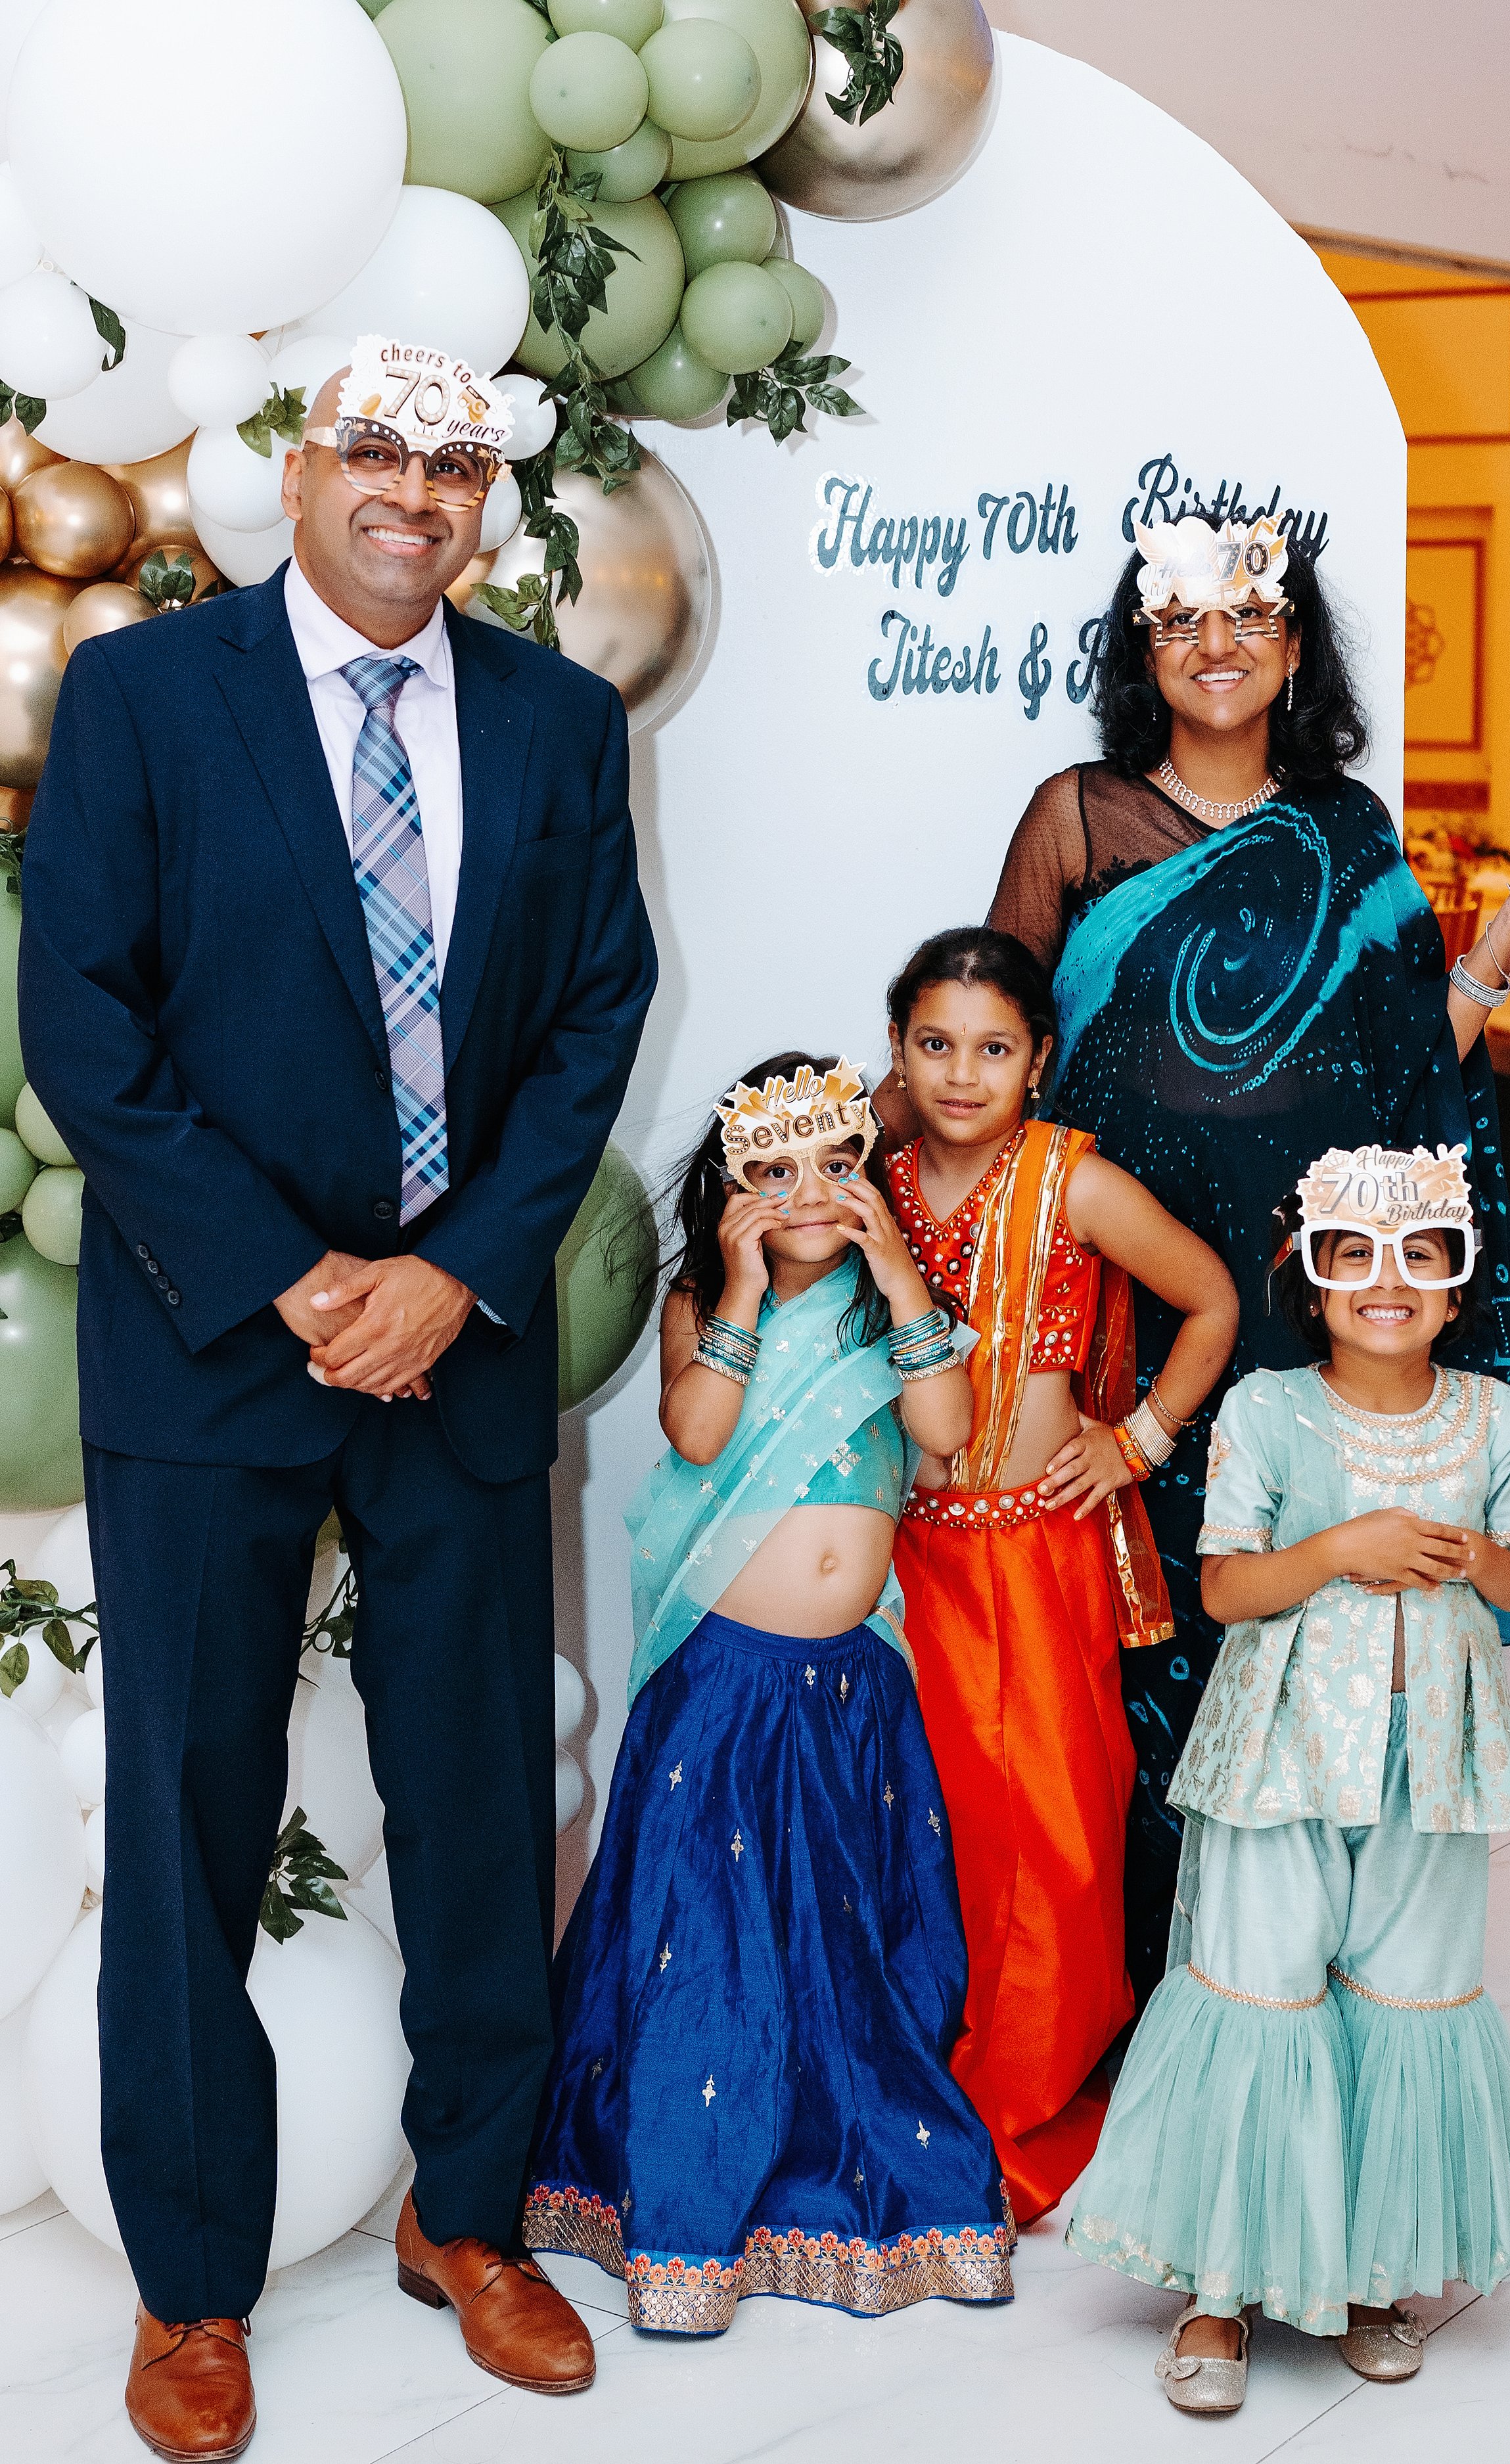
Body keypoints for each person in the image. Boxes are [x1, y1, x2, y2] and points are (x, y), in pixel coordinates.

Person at [18, 334, 656, 2458]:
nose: (417, 491)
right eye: (377, 450)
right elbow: (84, 1028)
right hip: (216, 1344)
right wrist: (301, 1279)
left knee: (479, 1802)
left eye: (456, 461)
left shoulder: (562, 724)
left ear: (490, 499)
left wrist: (454, 1277)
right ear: (296, 476)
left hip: (452, 1353)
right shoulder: (144, 697)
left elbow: (593, 1017)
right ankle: (191, 2287)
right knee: (188, 1815)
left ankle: (470, 2220)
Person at [986, 509, 1510, 2008]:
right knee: (1131, 1652)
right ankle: (1137, 2014)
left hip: (1309, 1322)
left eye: (1250, 619)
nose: (1216, 645)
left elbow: (1413, 1080)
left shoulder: (1347, 832)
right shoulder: (1075, 816)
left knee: (1291, 1648)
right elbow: (995, 1055)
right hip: (1121, 1315)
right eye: (1183, 620)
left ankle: (1276, 1989)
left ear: (1294, 648)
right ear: (1145, 646)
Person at [525, 1056, 1016, 2334]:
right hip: (725, 1690)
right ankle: (684, 2229)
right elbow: (696, 1434)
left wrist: (898, 1271)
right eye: (774, 1169)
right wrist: (739, 1285)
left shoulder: (881, 1313)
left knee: (845, 1949)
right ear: (732, 1186)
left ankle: (854, 2195)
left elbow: (947, 1425)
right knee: (710, 1950)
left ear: (868, 1176)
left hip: (854, 1698)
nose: (808, 1191)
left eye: (835, 1166)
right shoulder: (703, 1300)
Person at [1067, 1142, 1510, 2415]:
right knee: (1259, 1992)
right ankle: (1218, 2290)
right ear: (1308, 1274)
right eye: (1351, 1255)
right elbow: (1225, 1588)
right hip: (1278, 1757)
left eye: (1417, 1258)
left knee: (1404, 1996)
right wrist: (1341, 1546)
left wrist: (1464, 1561)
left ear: (1455, 1285)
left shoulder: (1495, 1416)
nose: (1383, 1281)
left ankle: (1365, 2272)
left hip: (1429, 1761)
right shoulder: (1266, 1411)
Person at [881, 928, 1239, 2225]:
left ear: (1038, 1058)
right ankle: (919, 2084)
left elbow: (1207, 1299)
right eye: (934, 1045)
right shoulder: (873, 1183)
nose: (961, 1074)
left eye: (991, 1048)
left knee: (1053, 1838)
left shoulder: (1071, 1184)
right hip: (906, 1564)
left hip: (1038, 1558)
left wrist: (1136, 1439)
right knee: (930, 1833)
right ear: (898, 1052)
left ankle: (1023, 2110)